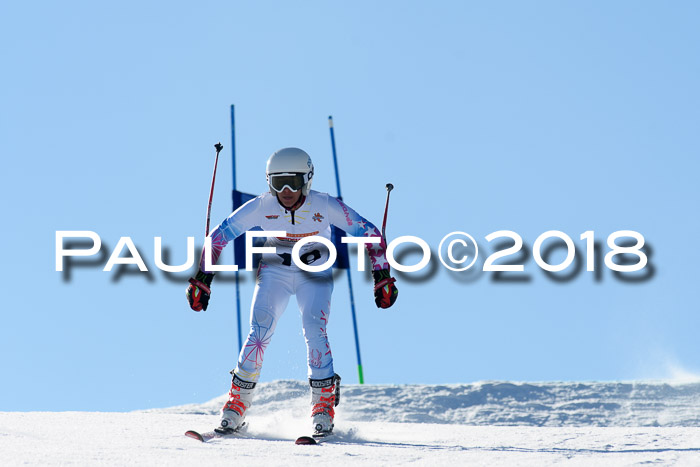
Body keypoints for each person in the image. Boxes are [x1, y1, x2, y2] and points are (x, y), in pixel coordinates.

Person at [186, 147, 398, 436]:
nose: (286, 191)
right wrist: (202, 279)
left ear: (308, 180)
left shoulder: (324, 204)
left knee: (314, 327)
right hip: (275, 270)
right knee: (259, 331)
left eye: (294, 182)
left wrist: (382, 276)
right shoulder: (263, 206)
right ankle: (236, 404)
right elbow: (219, 236)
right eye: (278, 182)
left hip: (315, 270)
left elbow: (368, 232)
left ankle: (322, 406)